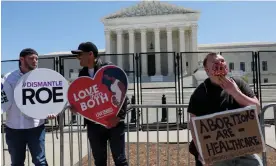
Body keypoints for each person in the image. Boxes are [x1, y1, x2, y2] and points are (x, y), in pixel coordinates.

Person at [188, 52, 262, 166]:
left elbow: (257, 108)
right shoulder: (200, 93)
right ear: (207, 70)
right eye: (215, 62)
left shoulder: (239, 84)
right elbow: (193, 126)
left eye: (222, 61)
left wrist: (235, 93)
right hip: (217, 155)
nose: (220, 63)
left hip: (243, 151)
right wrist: (202, 153)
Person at [70, 42, 129, 166]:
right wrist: (76, 107)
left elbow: (123, 96)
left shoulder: (108, 69)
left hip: (114, 124)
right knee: (99, 162)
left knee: (120, 160)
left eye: (80, 55)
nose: (78, 58)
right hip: (94, 126)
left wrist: (119, 117)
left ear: (90, 54)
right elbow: (84, 98)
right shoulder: (82, 75)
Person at [3, 48, 56, 166]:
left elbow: (50, 97)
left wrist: (52, 111)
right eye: (32, 58)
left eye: (37, 59)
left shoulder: (43, 77)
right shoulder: (8, 78)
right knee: (16, 163)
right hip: (14, 129)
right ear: (22, 59)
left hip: (36, 128)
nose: (35, 61)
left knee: (40, 161)